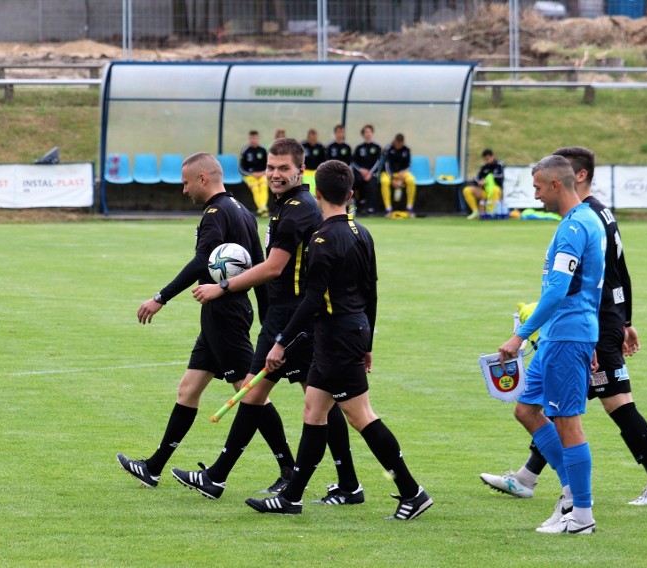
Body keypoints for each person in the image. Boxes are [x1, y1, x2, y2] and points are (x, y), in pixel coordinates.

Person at [481, 146, 647, 506]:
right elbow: (619, 272)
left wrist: (614, 326)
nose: (537, 193)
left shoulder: (585, 221)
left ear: (573, 178)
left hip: (589, 326)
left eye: (542, 185)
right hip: (583, 326)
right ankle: (533, 478)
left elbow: (593, 279)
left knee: (608, 407)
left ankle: (623, 492)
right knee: (539, 408)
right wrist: (627, 319)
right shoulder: (593, 215)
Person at [172, 139, 363, 505]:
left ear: (299, 170)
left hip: (293, 319)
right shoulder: (289, 206)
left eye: (282, 168)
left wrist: (222, 286)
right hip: (290, 315)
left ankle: (219, 477)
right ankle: (348, 483)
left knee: (267, 394)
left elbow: (273, 267)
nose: (275, 174)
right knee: (311, 398)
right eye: (270, 167)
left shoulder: (298, 209)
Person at [244, 160, 434, 520]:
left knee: (360, 416)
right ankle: (293, 498)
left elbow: (312, 300)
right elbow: (371, 292)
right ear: (350, 194)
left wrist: (281, 342)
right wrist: (368, 343)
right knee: (314, 411)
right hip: (352, 332)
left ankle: (412, 491)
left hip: (336, 336)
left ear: (317, 194)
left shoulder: (322, 238)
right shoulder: (362, 232)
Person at [117, 152, 285, 489]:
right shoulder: (241, 210)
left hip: (226, 315)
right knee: (188, 388)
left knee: (250, 394)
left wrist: (160, 297)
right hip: (221, 315)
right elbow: (260, 268)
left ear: (203, 179)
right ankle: (153, 467)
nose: (184, 190)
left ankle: (290, 471)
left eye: (186, 182)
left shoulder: (214, 213)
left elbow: (200, 263)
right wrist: (267, 319)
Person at [497, 155, 606, 535]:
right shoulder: (580, 222)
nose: (535, 194)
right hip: (564, 335)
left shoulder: (575, 227)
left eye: (538, 187)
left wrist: (520, 335)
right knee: (526, 410)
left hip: (566, 335)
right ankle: (570, 493)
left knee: (568, 423)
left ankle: (581, 516)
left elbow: (559, 290)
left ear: (556, 186)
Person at [380, 133, 416, 218]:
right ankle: (388, 209)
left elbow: (409, 165)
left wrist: (403, 173)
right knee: (384, 182)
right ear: (395, 141)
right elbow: (386, 165)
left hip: (402, 173)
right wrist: (392, 178)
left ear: (403, 142)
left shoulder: (407, 149)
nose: (398, 146)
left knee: (411, 180)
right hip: (389, 173)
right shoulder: (388, 149)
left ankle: (409, 208)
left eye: (400, 144)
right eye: (397, 144)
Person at [463, 148, 505, 220]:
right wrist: (478, 182)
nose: (487, 161)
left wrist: (487, 181)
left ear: (493, 156)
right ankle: (475, 212)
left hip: (495, 192)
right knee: (467, 190)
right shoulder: (484, 167)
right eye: (485, 159)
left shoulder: (499, 165)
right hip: (485, 192)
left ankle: (492, 212)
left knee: (495, 189)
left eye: (488, 159)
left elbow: (500, 179)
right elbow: (478, 178)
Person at [351, 124, 382, 216]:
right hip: (361, 173)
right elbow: (354, 162)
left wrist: (370, 173)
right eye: (366, 132)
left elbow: (378, 162)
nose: (368, 134)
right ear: (363, 134)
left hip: (372, 173)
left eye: (369, 132)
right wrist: (361, 170)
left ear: (372, 133)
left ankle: (370, 208)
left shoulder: (377, 147)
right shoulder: (359, 147)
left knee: (372, 184)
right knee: (357, 181)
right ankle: (359, 206)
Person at [240, 130, 270, 217]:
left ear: (258, 138)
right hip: (249, 175)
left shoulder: (263, 150)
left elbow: (268, 165)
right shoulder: (245, 150)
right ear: (249, 139)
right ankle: (262, 208)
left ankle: (262, 208)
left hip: (262, 174)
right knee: (255, 188)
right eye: (252, 138)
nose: (253, 140)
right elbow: (241, 169)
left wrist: (262, 173)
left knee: (264, 186)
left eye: (255, 138)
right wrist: (252, 174)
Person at [301, 128, 326, 197]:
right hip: (305, 172)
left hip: (316, 172)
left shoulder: (320, 147)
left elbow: (323, 160)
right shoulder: (303, 146)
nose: (313, 141)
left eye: (315, 139)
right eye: (312, 139)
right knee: (305, 191)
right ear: (308, 137)